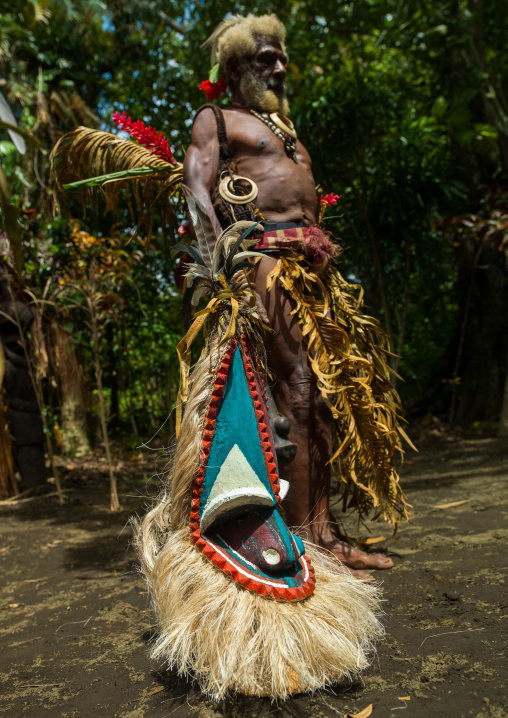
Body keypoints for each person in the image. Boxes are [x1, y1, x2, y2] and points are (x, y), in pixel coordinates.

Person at [183, 14, 407, 578]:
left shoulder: (281, 125)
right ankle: (305, 540)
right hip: (267, 270)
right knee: (299, 397)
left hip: (311, 276)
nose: (280, 66)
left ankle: (325, 532)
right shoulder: (216, 118)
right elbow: (197, 188)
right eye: (266, 57)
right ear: (235, 67)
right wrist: (223, 274)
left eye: (281, 56)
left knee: (325, 401)